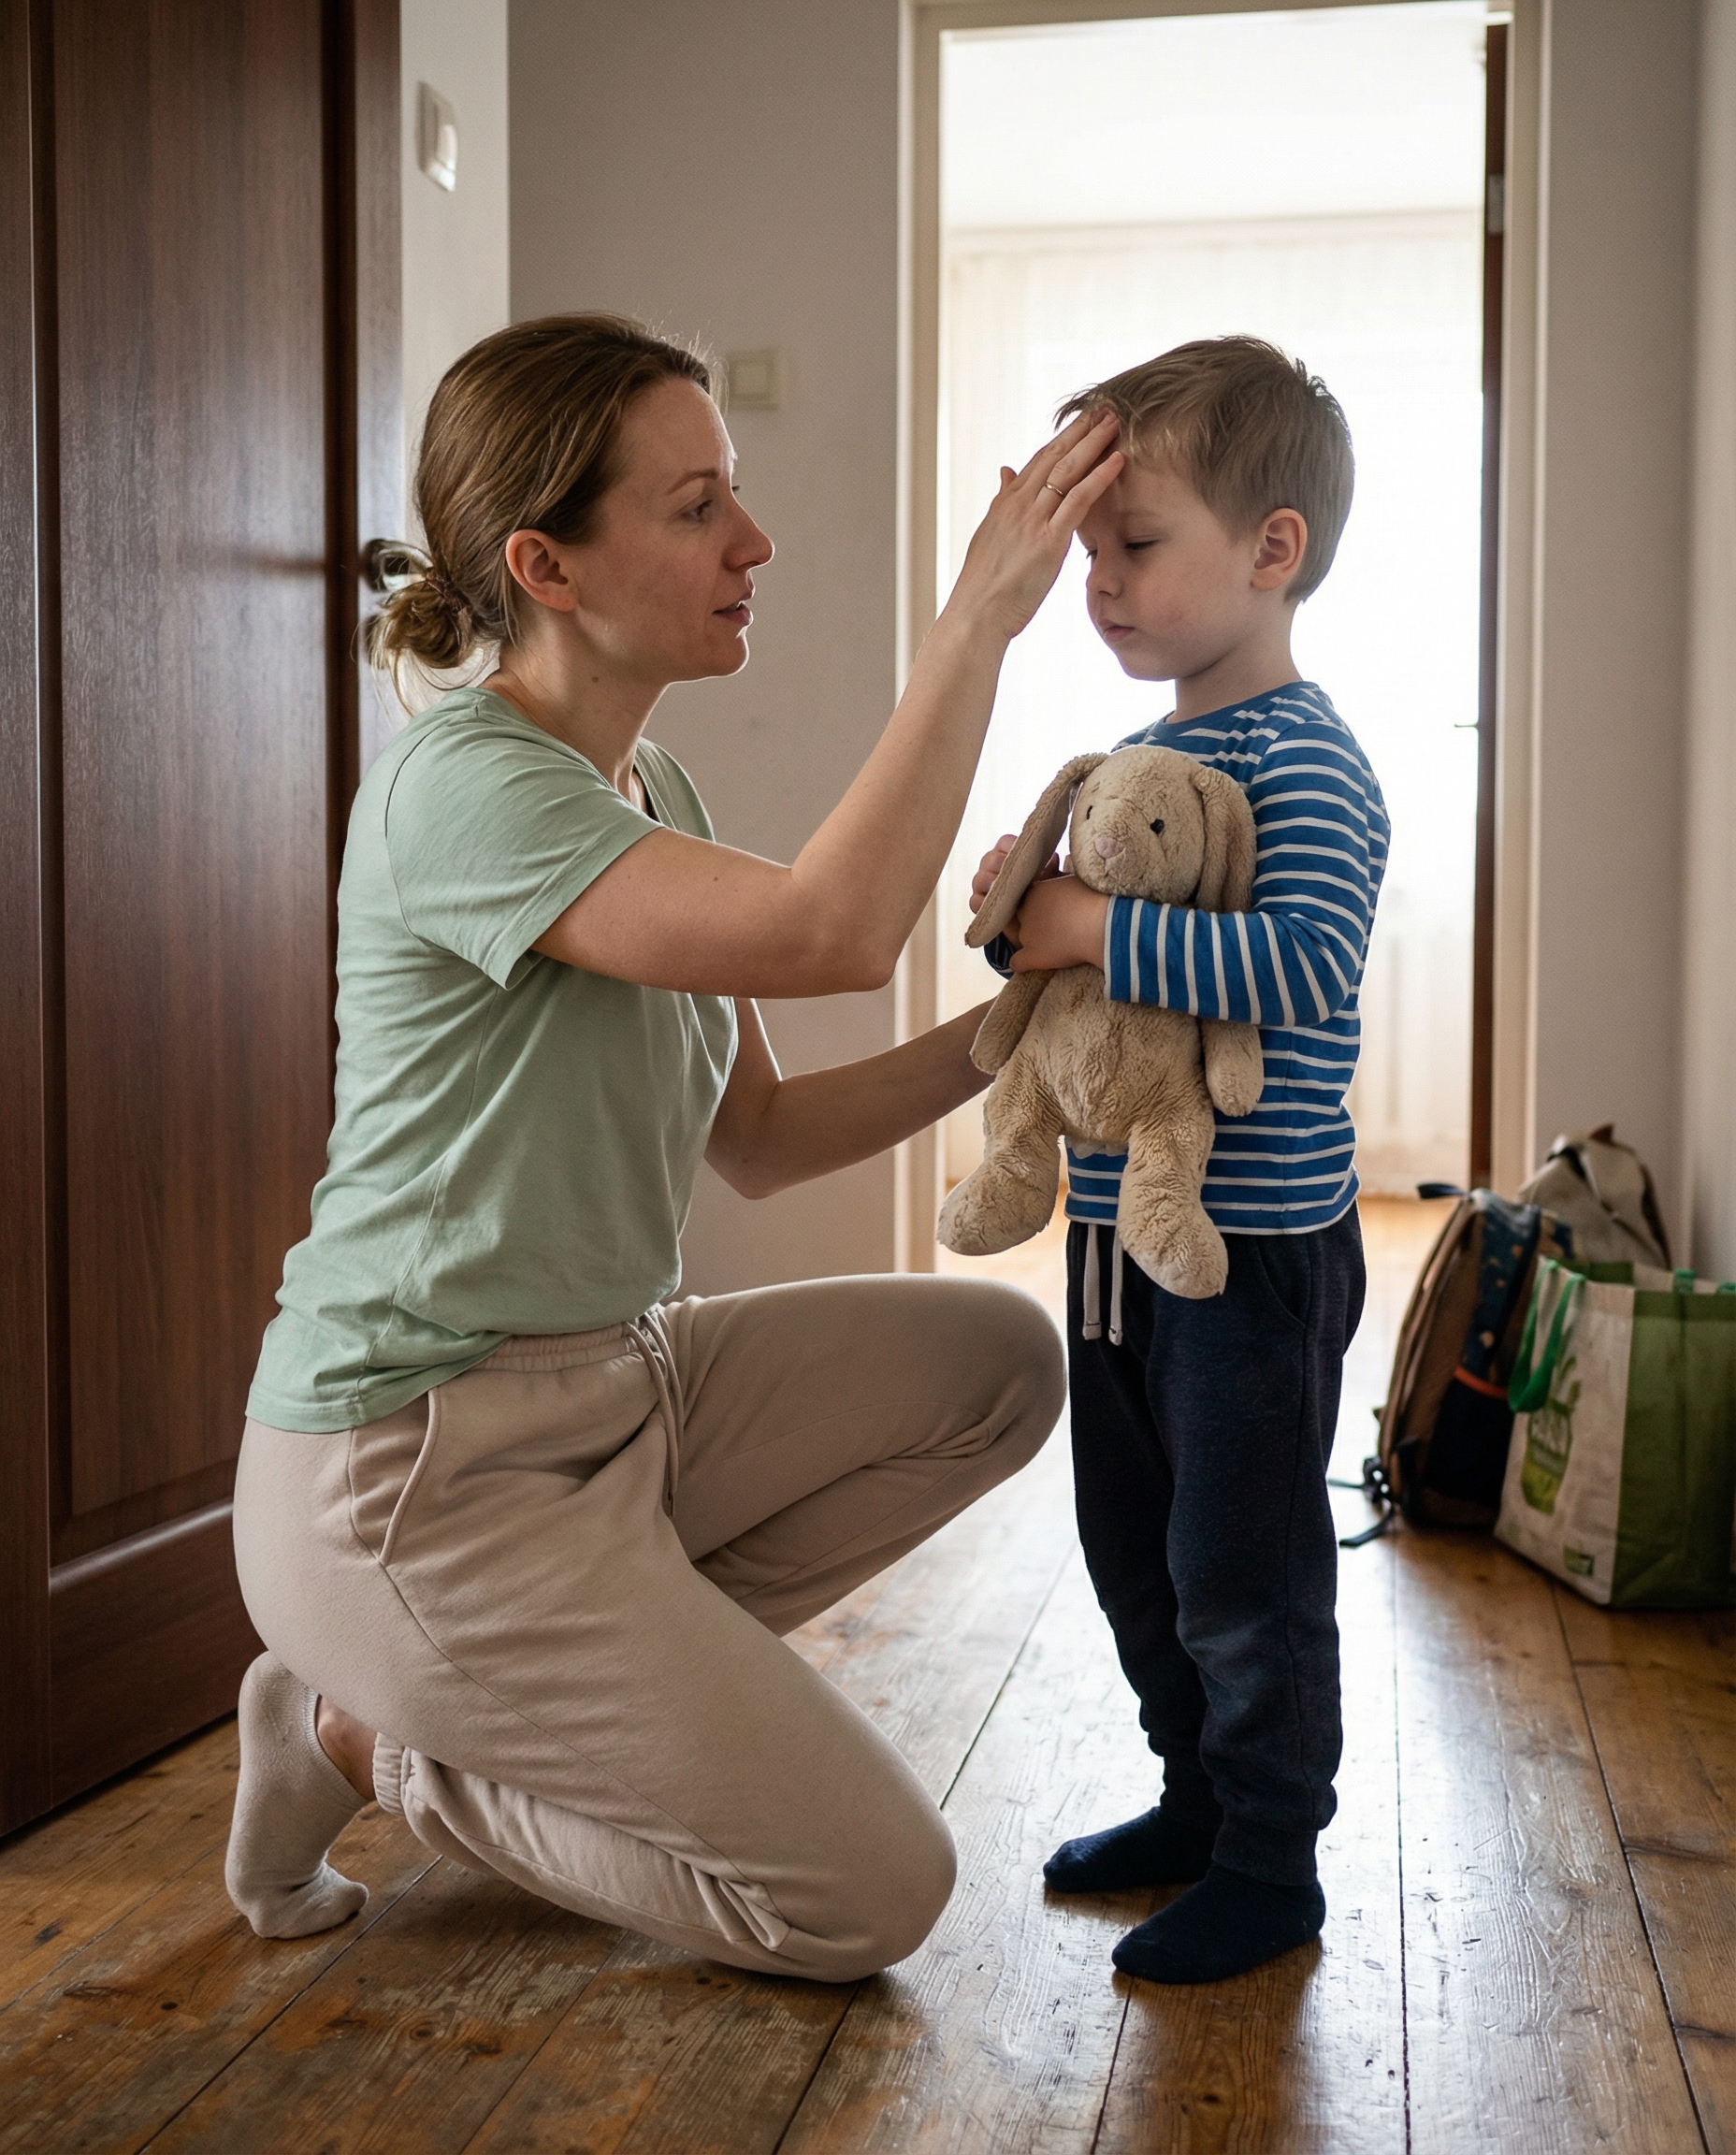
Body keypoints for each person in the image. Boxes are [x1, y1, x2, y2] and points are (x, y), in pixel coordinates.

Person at [224, 313, 1122, 1982]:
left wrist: (1028, 1029)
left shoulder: (661, 788)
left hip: (622, 1392)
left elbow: (767, 1141)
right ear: (546, 565)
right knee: (868, 1898)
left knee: (997, 1364)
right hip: (412, 1469)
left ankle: (540, 1688)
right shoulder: (463, 792)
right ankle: (369, 1735)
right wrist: (978, 625)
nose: (753, 542)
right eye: (699, 503)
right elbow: (839, 930)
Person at [971, 337, 1389, 1985]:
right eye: (1088, 555)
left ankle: (1274, 1861)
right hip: (1110, 1242)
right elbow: (1056, 978)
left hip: (1253, 1257)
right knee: (1132, 1547)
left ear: (1269, 550)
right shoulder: (1136, 773)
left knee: (1246, 1569)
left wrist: (1090, 924)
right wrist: (1025, 910)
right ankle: (1192, 1801)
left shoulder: (1311, 762)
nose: (1100, 586)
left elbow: (1299, 974)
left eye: (1134, 547)